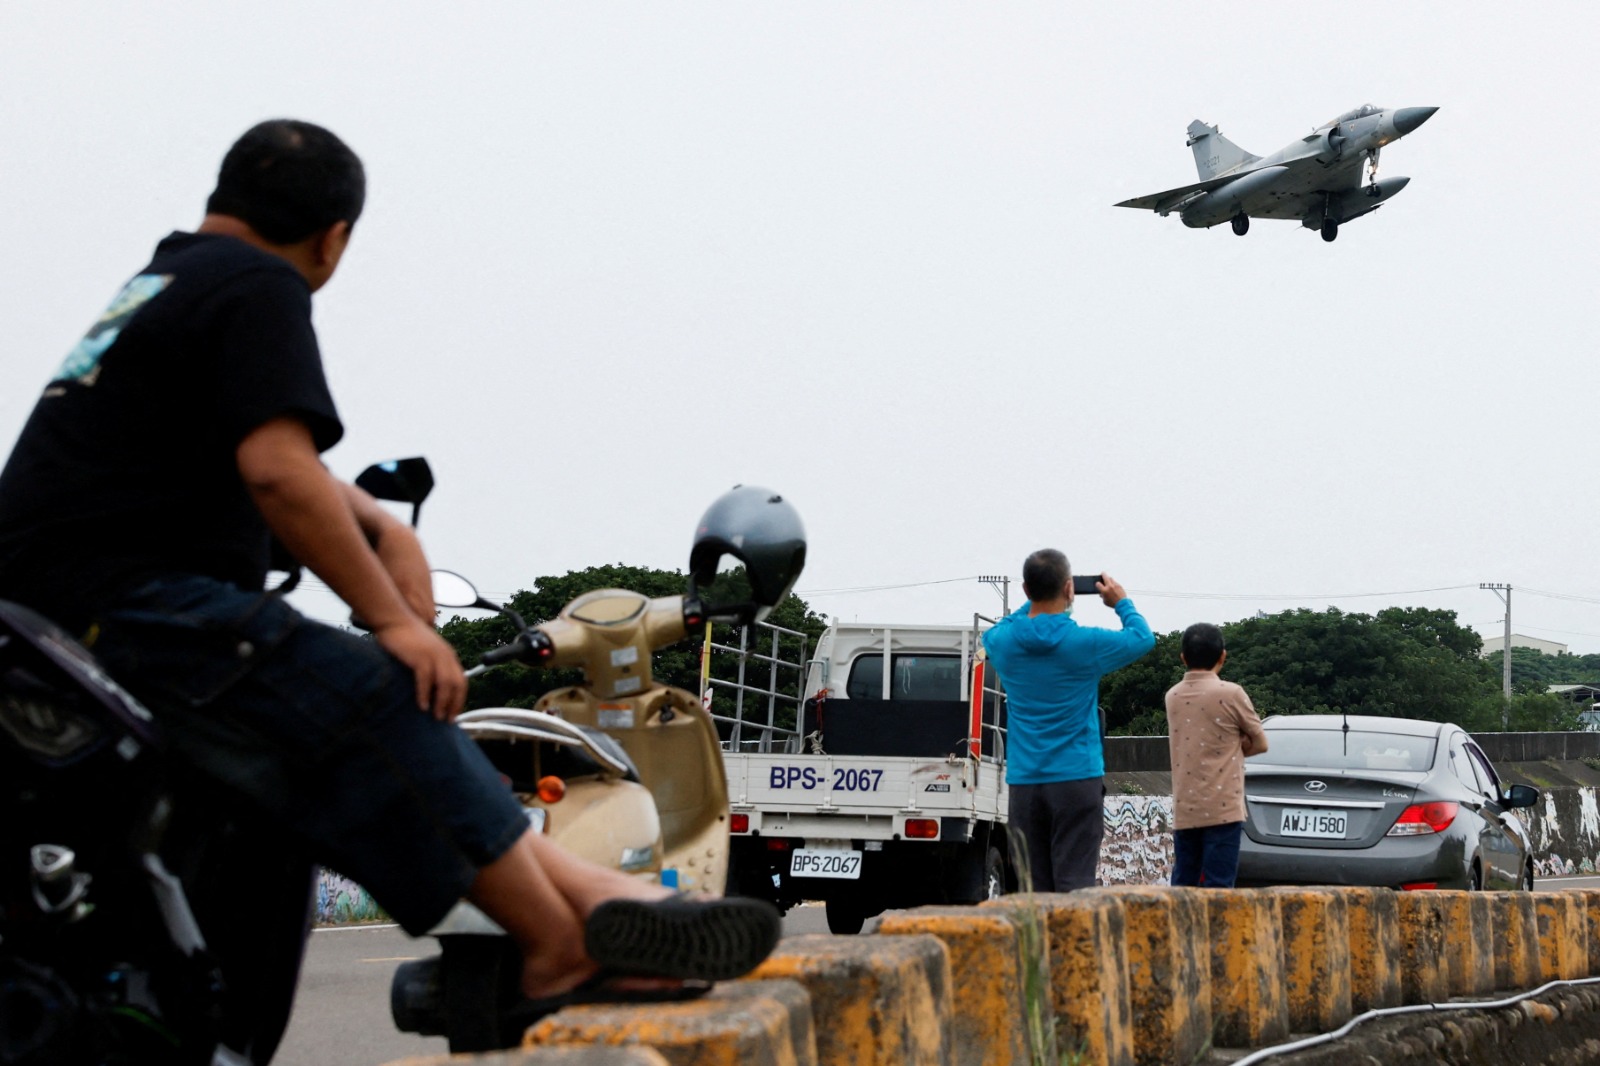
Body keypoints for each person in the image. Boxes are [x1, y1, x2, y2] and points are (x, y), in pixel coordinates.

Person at [0, 119, 777, 1008]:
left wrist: (384, 529)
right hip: (119, 608)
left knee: (334, 741)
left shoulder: (166, 282)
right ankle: (562, 939)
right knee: (377, 691)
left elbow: (287, 472)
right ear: (334, 239)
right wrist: (400, 624)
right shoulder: (258, 283)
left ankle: (590, 900)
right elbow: (279, 472)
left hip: (56, 615)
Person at [981, 549, 1154, 891]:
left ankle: (1039, 947)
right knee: (1074, 883)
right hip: (1076, 778)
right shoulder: (1085, 643)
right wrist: (1121, 602)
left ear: (1026, 590)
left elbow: (1000, 628)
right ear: (1069, 589)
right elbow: (1142, 638)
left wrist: (1033, 602)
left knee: (1033, 889)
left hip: (1025, 782)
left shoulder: (1003, 642)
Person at [1164, 622, 1268, 888]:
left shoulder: (1172, 696)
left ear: (1183, 658)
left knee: (1184, 882)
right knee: (1219, 885)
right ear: (1223, 655)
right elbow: (1261, 742)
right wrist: (1234, 747)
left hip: (1186, 807)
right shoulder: (1231, 693)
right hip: (1224, 809)